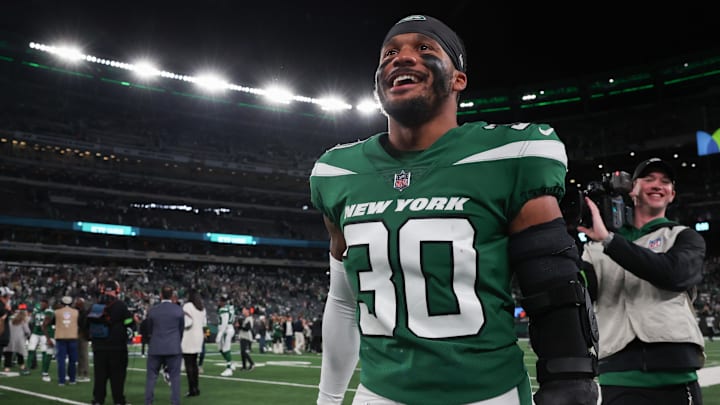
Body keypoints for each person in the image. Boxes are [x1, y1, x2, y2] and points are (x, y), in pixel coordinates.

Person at [309, 14, 599, 405]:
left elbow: (553, 285)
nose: (402, 57)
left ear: (458, 78)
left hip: (488, 396)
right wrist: (327, 400)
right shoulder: (336, 171)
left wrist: (571, 381)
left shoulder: (509, 155)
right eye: (389, 53)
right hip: (378, 395)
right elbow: (344, 301)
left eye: (424, 48)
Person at [578, 157, 706, 405]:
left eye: (665, 181)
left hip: (675, 372)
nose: (657, 184)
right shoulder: (596, 246)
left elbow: (674, 274)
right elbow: (583, 294)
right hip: (618, 374)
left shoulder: (683, 237)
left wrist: (610, 241)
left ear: (672, 194)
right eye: (648, 179)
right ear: (631, 189)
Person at [90, 280, 134, 405]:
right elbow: (129, 322)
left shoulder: (96, 305)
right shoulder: (120, 305)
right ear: (117, 291)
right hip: (117, 347)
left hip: (99, 347)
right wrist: (130, 320)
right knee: (117, 377)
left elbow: (87, 323)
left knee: (100, 377)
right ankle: (118, 400)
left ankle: (98, 400)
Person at [145, 285, 184, 405]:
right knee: (175, 378)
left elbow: (149, 330)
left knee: (151, 378)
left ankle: (148, 402)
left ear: (160, 295)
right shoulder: (178, 310)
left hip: (156, 347)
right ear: (172, 296)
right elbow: (181, 330)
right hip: (173, 347)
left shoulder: (153, 310)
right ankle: (175, 402)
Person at [181, 289, 207, 397]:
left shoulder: (187, 306)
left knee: (189, 364)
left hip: (189, 335)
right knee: (194, 364)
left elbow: (186, 322)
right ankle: (196, 388)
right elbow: (204, 323)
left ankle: (192, 389)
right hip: (198, 335)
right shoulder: (202, 308)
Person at [54, 295, 79, 386]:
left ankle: (61, 380)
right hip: (72, 338)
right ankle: (72, 379)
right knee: (73, 361)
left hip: (60, 338)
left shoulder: (56, 312)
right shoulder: (76, 312)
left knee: (61, 361)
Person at [27, 298, 53, 379]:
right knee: (31, 349)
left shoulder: (49, 311)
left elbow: (48, 319)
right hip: (35, 332)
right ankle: (28, 368)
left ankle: (44, 370)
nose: (41, 305)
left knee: (44, 351)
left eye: (43, 304)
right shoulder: (37, 309)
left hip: (44, 334)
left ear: (47, 304)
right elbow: (32, 318)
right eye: (40, 304)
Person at [3, 302, 30, 375]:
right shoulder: (23, 318)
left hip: (9, 336)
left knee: (8, 352)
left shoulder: (11, 317)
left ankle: (7, 367)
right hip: (19, 338)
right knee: (20, 352)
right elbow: (27, 330)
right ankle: (22, 366)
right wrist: (28, 335)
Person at [216, 295, 236, 376]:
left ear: (222, 301)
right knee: (220, 349)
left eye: (220, 300)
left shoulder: (224, 309)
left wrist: (220, 334)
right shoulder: (230, 307)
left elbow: (224, 323)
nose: (218, 302)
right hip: (228, 329)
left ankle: (229, 369)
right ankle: (230, 363)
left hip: (226, 330)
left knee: (225, 349)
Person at [74, 296, 91, 382]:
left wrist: (82, 332)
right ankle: (80, 373)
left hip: (83, 335)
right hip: (78, 334)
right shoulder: (79, 311)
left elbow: (84, 324)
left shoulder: (84, 312)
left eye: (77, 302)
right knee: (80, 355)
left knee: (84, 355)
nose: (76, 303)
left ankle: (86, 374)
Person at [0, 287, 14, 369]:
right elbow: (3, 317)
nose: (9, 298)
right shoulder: (2, 306)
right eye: (7, 296)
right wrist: (8, 310)